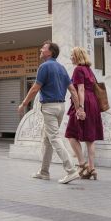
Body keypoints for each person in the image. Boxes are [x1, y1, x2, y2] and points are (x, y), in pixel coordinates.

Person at [18, 40, 84, 184]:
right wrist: (79, 108)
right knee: (47, 139)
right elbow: (72, 90)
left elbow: (35, 88)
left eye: (44, 48)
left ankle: (71, 170)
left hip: (49, 107)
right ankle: (44, 172)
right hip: (60, 107)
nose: (41, 49)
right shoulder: (61, 68)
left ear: (50, 52)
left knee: (53, 138)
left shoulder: (44, 67)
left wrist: (23, 104)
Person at [65, 47, 104, 180]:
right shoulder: (89, 70)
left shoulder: (78, 70)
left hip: (84, 102)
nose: (70, 57)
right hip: (93, 103)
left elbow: (80, 90)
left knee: (70, 134)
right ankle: (92, 168)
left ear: (76, 56)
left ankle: (82, 164)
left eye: (72, 55)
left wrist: (80, 108)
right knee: (90, 138)